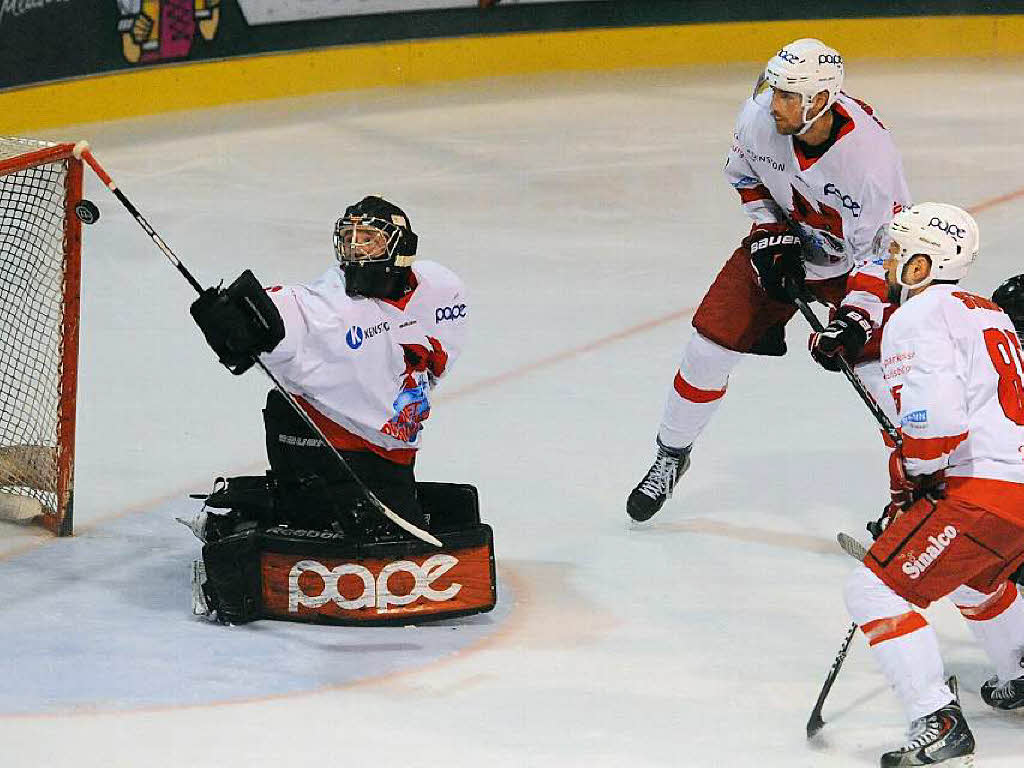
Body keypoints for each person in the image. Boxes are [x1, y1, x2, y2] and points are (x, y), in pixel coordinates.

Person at [627, 38, 911, 521]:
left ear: (820, 101)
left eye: (786, 95)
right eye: (772, 89)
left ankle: (913, 500)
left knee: (889, 382)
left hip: (857, 268)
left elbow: (879, 251)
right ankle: (671, 455)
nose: (772, 103)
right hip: (790, 244)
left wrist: (856, 320)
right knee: (706, 348)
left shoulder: (869, 159)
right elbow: (744, 176)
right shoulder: (759, 118)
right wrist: (769, 229)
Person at [844, 203, 1024, 766]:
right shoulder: (986, 311)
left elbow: (936, 422)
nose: (891, 261)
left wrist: (916, 477)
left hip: (986, 492)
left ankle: (937, 720)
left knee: (873, 590)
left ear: (923, 265)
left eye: (899, 253)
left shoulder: (917, 316)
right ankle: (1019, 668)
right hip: (1016, 487)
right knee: (973, 578)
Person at [190, 195, 469, 539]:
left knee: (395, 530)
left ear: (402, 248)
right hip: (327, 443)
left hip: (390, 450)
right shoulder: (327, 305)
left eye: (369, 240)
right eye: (350, 239)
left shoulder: (441, 287)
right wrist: (237, 320)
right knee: (369, 533)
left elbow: (435, 353)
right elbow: (287, 310)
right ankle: (248, 520)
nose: (356, 250)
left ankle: (264, 504)